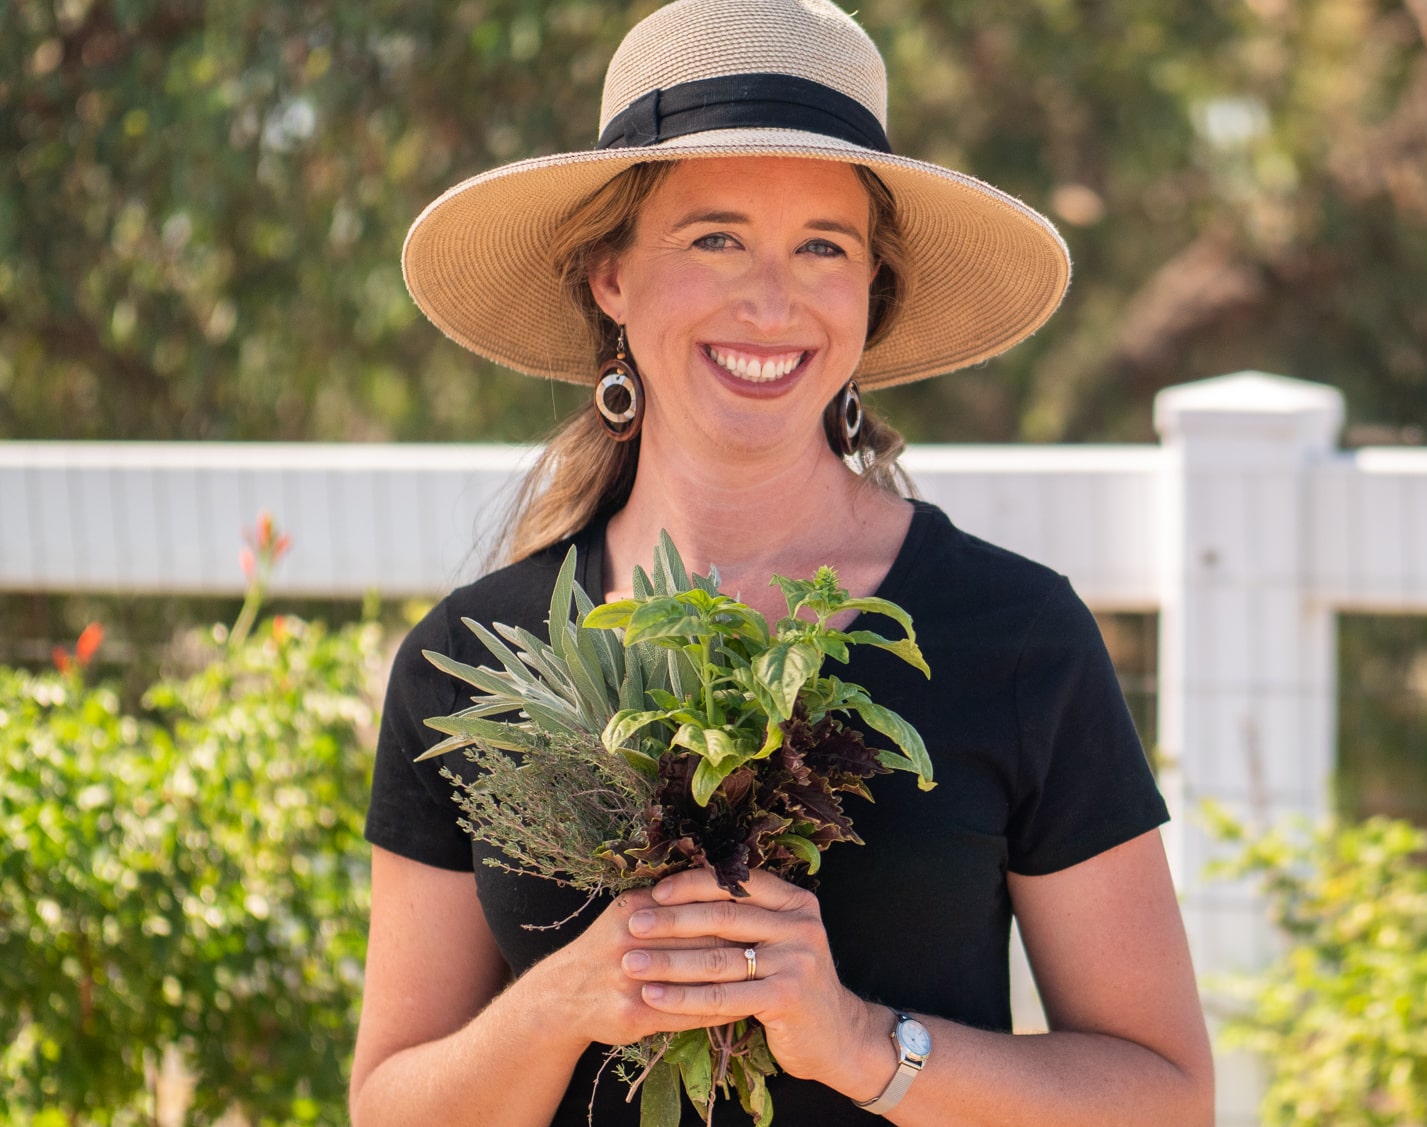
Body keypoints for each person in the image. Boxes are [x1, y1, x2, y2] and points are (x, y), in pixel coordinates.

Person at [348, 2, 1213, 1125]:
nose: (772, 298)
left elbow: (1164, 1098)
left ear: (869, 292)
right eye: (714, 237)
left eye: (823, 246)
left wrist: (862, 1044)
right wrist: (564, 998)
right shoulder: (466, 665)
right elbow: (390, 1106)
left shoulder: (1014, 636)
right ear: (609, 276)